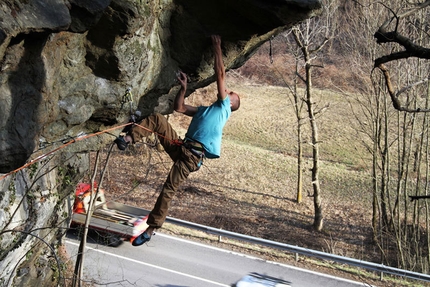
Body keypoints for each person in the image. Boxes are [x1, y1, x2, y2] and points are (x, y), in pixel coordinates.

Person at [114, 35, 240, 246]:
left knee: (168, 189)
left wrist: (217, 47)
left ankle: (152, 228)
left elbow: (220, 74)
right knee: (157, 120)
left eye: (232, 93)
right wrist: (183, 88)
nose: (228, 90)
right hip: (181, 146)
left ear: (231, 102)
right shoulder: (205, 111)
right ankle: (127, 138)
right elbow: (179, 108)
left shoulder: (224, 108)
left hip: (190, 158)